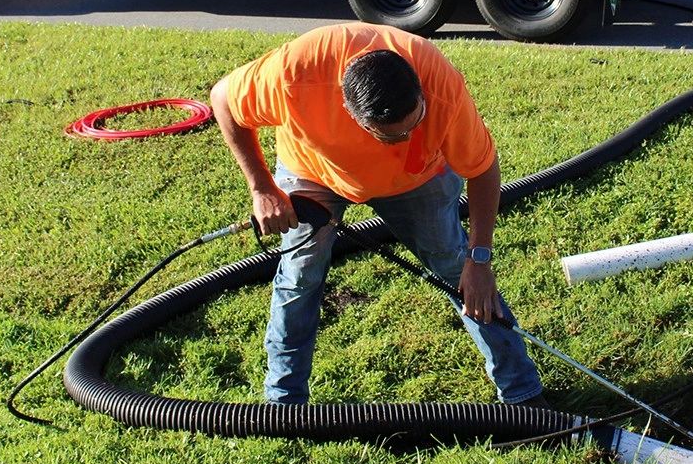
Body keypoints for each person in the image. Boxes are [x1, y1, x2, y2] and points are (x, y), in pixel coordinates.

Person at [209, 22, 549, 408]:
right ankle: (284, 401)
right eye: (390, 137)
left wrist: (481, 258)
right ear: (352, 115)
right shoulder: (296, 74)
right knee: (299, 276)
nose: (405, 140)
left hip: (420, 177)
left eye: (415, 123)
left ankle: (523, 394)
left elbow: (483, 170)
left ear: (420, 93)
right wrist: (263, 189)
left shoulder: (440, 84)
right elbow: (222, 99)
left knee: (459, 270)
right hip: (313, 169)